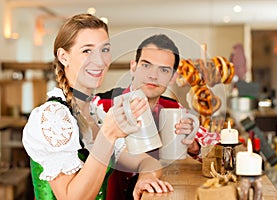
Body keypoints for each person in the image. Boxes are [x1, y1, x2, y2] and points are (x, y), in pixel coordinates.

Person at [22, 14, 173, 200]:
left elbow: (147, 162)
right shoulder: (52, 117)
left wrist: (145, 178)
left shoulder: (96, 113)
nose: (101, 61)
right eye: (87, 51)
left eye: (105, 50)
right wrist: (108, 134)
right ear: (63, 57)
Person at [96, 34, 205, 200]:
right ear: (133, 67)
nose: (153, 76)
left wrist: (194, 147)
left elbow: (216, 144)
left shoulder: (174, 109)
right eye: (146, 65)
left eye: (164, 70)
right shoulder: (100, 106)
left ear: (172, 77)